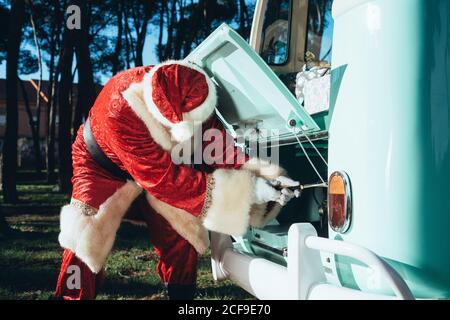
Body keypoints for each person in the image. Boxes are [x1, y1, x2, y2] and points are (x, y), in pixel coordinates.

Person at [53, 60, 299, 300]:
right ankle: (72, 296)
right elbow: (163, 181)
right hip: (99, 165)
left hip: (157, 165)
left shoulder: (193, 88)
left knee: (181, 229)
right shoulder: (119, 107)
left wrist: (263, 176)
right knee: (84, 231)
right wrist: (250, 192)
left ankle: (180, 293)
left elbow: (220, 148)